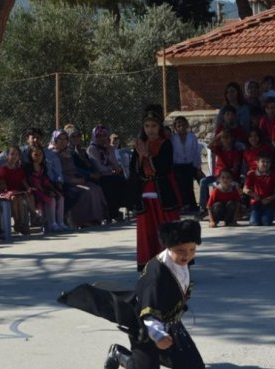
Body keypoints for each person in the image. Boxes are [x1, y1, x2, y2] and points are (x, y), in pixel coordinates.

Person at [58, 219, 205, 369]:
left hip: (169, 323)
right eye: (181, 250)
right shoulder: (156, 275)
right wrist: (158, 336)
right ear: (169, 247)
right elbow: (149, 315)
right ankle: (120, 354)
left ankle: (158, 354)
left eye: (192, 249)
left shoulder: (180, 262)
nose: (187, 255)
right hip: (144, 324)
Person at [129, 104, 181, 271]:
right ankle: (149, 265)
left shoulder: (166, 144)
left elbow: (165, 167)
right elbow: (133, 170)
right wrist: (140, 157)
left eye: (153, 126)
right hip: (145, 193)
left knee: (167, 228)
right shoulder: (139, 145)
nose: (150, 130)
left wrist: (148, 156)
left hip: (163, 192)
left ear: (159, 127)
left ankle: (173, 265)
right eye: (147, 126)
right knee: (147, 231)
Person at [51, 130, 107, 228]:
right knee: (86, 191)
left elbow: (75, 169)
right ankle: (81, 221)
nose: (63, 141)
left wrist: (85, 176)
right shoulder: (54, 155)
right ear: (55, 140)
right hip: (65, 183)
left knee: (95, 188)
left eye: (65, 139)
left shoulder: (69, 153)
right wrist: (73, 180)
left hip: (76, 179)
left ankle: (96, 219)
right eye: (60, 139)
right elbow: (57, 174)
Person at [86, 125, 130, 221]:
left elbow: (116, 165)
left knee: (123, 181)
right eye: (99, 136)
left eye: (104, 135)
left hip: (110, 175)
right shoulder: (92, 149)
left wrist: (110, 153)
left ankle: (126, 207)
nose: (102, 138)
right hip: (99, 177)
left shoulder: (108, 149)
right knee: (109, 183)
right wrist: (111, 169)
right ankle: (112, 213)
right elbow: (99, 168)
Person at [25, 144, 67, 232]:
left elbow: (46, 180)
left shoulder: (43, 166)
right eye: (36, 154)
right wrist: (46, 191)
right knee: (51, 199)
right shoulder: (28, 167)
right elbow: (32, 182)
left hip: (44, 188)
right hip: (35, 191)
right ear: (30, 155)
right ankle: (53, 223)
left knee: (60, 197)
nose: (39, 157)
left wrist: (53, 189)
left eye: (40, 154)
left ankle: (61, 222)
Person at [0, 145, 36, 235]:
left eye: (16, 154)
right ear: (7, 156)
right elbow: (3, 186)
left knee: (26, 196)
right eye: (12, 154)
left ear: (19, 157)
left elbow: (23, 181)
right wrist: (10, 191)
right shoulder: (3, 169)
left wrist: (28, 188)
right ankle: (18, 222)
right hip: (7, 193)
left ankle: (23, 222)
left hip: (18, 192)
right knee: (15, 198)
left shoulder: (19, 169)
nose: (14, 156)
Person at [170, 116, 202, 212]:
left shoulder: (192, 137)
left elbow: (196, 152)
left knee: (196, 181)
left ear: (187, 125)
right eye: (178, 125)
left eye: (183, 125)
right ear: (175, 127)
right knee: (181, 183)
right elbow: (172, 154)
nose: (181, 127)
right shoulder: (172, 139)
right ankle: (184, 204)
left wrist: (197, 167)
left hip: (190, 165)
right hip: (177, 166)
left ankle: (200, 204)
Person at [243, 154, 275, 226]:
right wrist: (253, 194)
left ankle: (268, 215)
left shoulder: (273, 175)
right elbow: (245, 189)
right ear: (257, 162)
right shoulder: (252, 174)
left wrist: (269, 199)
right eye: (263, 161)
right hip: (256, 203)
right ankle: (254, 215)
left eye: (267, 162)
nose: (265, 164)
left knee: (266, 222)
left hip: (269, 204)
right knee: (254, 223)